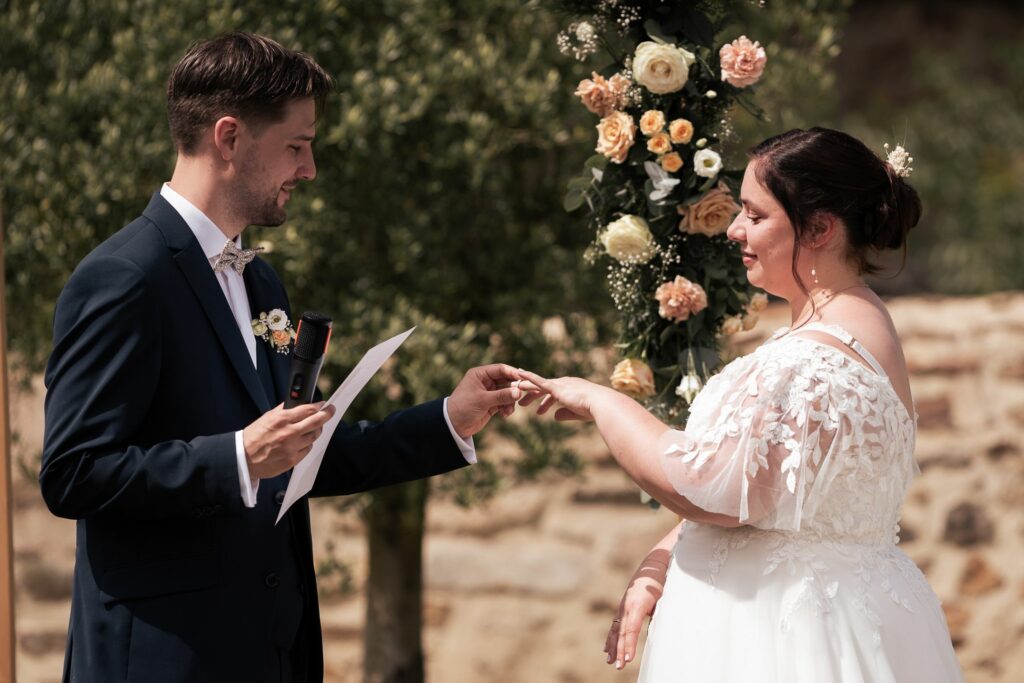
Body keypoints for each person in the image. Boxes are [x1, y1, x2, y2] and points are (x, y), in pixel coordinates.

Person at [40, 31, 522, 683]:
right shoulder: (124, 277)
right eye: (298, 146)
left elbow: (293, 453)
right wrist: (236, 457)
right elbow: (74, 472)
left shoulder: (260, 279)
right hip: (162, 661)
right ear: (230, 137)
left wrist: (448, 420)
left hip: (269, 652)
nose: (310, 169)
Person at [518, 128, 965, 681]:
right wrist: (664, 558)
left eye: (755, 216)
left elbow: (715, 490)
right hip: (839, 611)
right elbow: (775, 490)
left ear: (820, 228)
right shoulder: (854, 326)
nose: (734, 230)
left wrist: (602, 403)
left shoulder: (811, 359)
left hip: (781, 636)